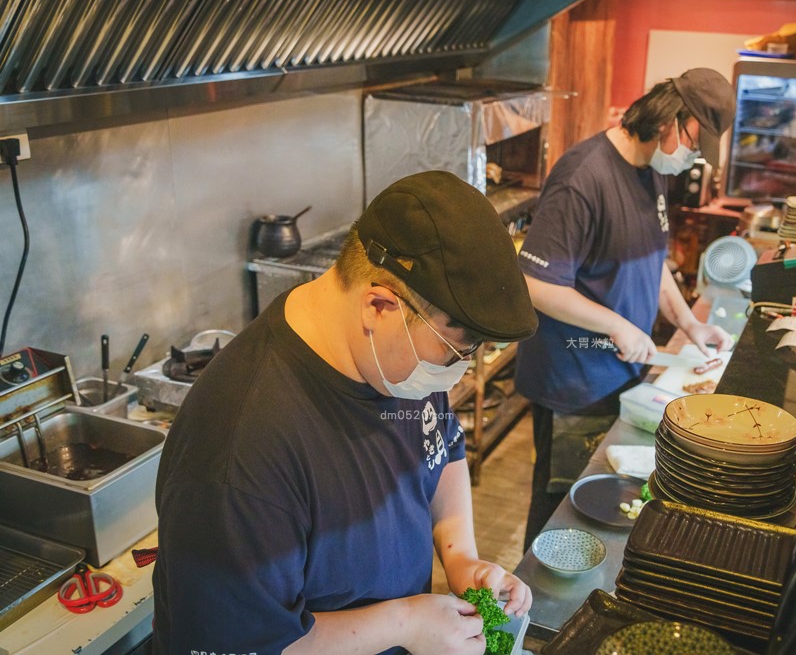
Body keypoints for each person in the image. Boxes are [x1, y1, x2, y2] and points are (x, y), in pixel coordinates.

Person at [153, 171, 538, 655]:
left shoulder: (395, 361)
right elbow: (249, 645)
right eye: (455, 352)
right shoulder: (239, 452)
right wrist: (406, 624)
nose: (461, 372)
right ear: (379, 306)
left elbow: (443, 452)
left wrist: (462, 559)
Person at [514, 68, 738, 550]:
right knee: (564, 510)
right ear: (671, 122)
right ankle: (533, 614)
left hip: (620, 375)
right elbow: (534, 283)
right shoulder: (583, 177)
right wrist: (617, 325)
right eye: (695, 145)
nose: (694, 159)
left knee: (607, 508)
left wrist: (688, 323)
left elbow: (651, 260)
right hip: (575, 378)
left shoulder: (649, 171)